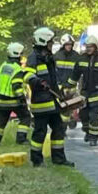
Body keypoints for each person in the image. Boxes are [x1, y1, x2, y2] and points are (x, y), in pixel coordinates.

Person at [27, 26, 73, 167]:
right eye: (50, 42)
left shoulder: (49, 58)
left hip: (52, 102)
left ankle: (59, 159)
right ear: (43, 41)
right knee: (39, 133)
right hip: (41, 103)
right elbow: (27, 76)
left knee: (59, 129)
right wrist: (38, 82)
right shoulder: (33, 57)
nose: (52, 45)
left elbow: (53, 80)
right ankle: (36, 161)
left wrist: (60, 95)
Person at [0, 42, 33, 146]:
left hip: (2, 100)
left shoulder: (3, 66)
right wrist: (22, 100)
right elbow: (16, 86)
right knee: (25, 117)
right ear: (18, 54)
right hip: (14, 101)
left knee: (1, 122)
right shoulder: (17, 69)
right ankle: (21, 140)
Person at [55, 33, 81, 131]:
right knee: (59, 109)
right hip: (59, 88)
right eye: (67, 44)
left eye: (70, 44)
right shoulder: (56, 56)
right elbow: (53, 72)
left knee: (67, 109)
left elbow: (79, 72)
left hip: (71, 88)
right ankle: (62, 127)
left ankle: (63, 128)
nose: (69, 46)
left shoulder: (76, 56)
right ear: (63, 45)